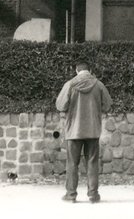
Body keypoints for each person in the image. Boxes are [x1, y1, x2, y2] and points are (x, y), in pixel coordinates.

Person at [55, 61, 112, 203]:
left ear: (76, 70)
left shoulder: (70, 84)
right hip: (93, 130)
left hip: (74, 131)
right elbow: (107, 105)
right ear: (90, 70)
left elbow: (60, 105)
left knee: (72, 163)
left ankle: (71, 195)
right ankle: (93, 195)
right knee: (92, 162)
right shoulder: (98, 85)